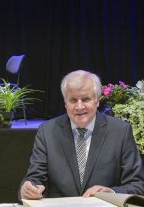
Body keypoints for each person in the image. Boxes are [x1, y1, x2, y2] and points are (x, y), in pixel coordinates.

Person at [19, 70, 144, 200]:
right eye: (73, 100)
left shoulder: (120, 132)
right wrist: (28, 189)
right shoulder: (47, 132)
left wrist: (111, 192)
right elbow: (35, 178)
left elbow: (138, 185)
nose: (79, 107)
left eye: (86, 99)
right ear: (65, 103)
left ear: (97, 101)